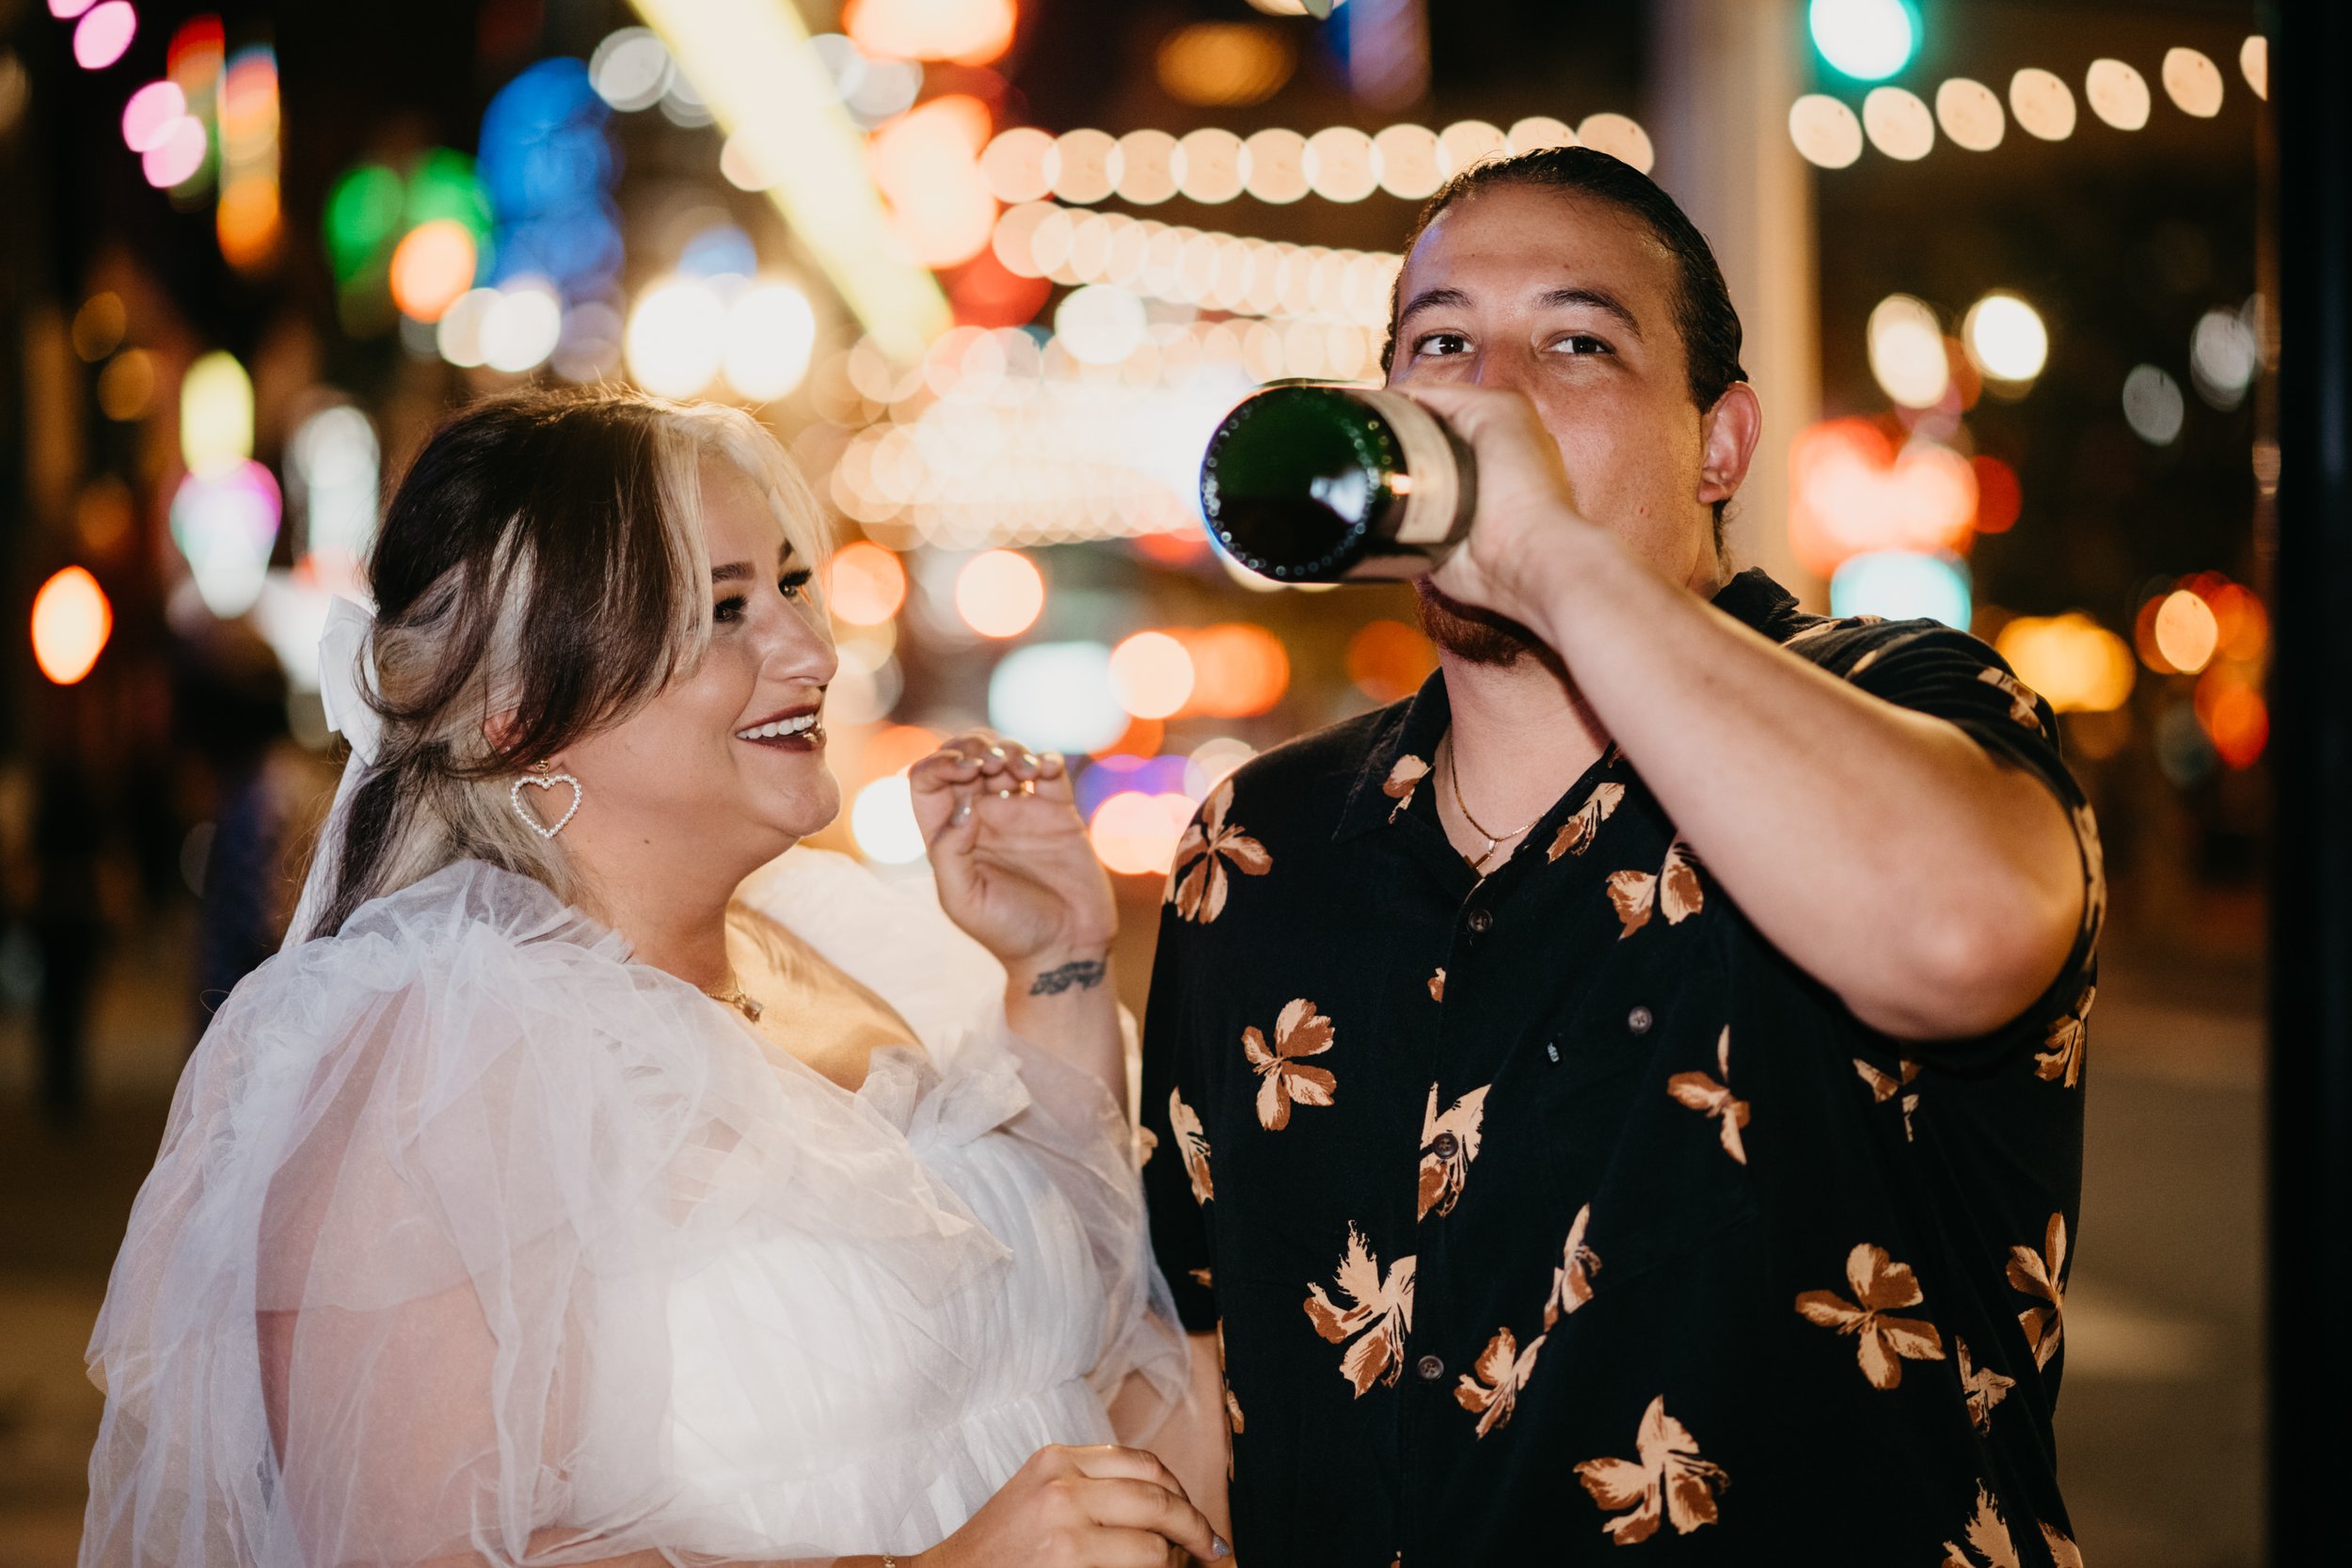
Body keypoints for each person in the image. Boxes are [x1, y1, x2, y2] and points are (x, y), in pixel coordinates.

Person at [1138, 147, 2102, 1566]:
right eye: (1444, 344)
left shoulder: (1895, 705)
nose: (1493, 397)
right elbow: (1196, 1342)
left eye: (1575, 344)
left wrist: (1549, 554)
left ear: (1720, 442)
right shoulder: (1264, 838)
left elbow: (1959, 935)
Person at [82, 388, 1226, 1568]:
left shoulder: (856, 946)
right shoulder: (433, 1065)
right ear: (520, 716)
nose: (813, 651)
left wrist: (1058, 963)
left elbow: (1081, 1335)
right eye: (724, 608)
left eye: (788, 585)